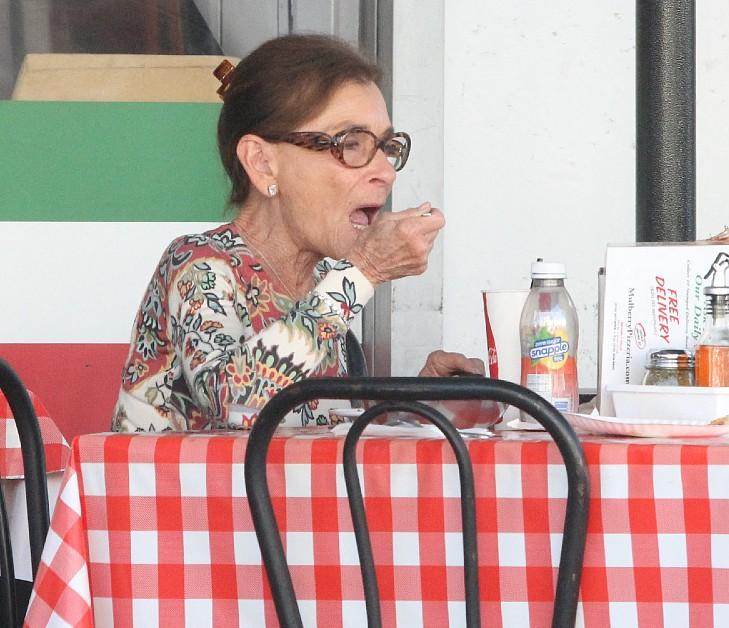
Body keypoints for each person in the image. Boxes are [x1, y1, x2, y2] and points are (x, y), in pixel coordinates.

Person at [112, 35, 482, 431]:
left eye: (387, 146)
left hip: (270, 495)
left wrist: (416, 403)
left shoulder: (324, 282)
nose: (387, 172)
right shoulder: (199, 264)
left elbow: (319, 432)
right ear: (263, 163)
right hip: (178, 495)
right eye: (351, 143)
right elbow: (236, 407)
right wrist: (365, 271)